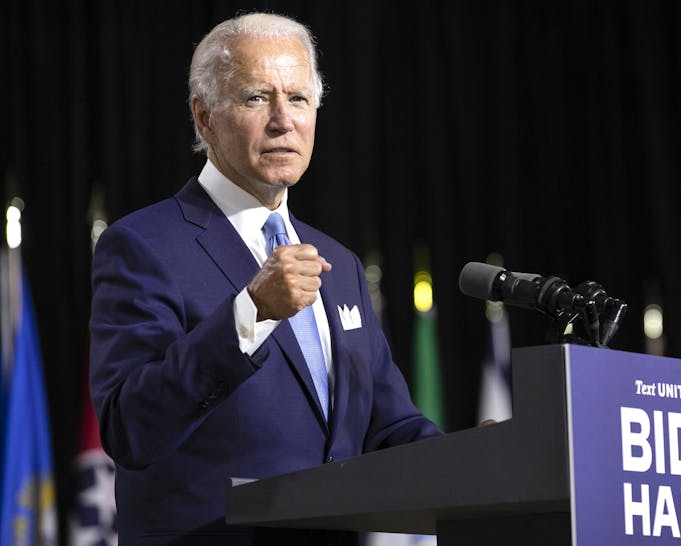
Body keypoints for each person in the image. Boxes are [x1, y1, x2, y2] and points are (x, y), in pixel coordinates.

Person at [89, 12, 442, 545]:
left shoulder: (338, 264)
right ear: (203, 116)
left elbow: (388, 427)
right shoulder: (143, 245)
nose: (283, 120)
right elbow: (130, 427)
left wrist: (472, 456)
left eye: (298, 99)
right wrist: (249, 314)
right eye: (257, 97)